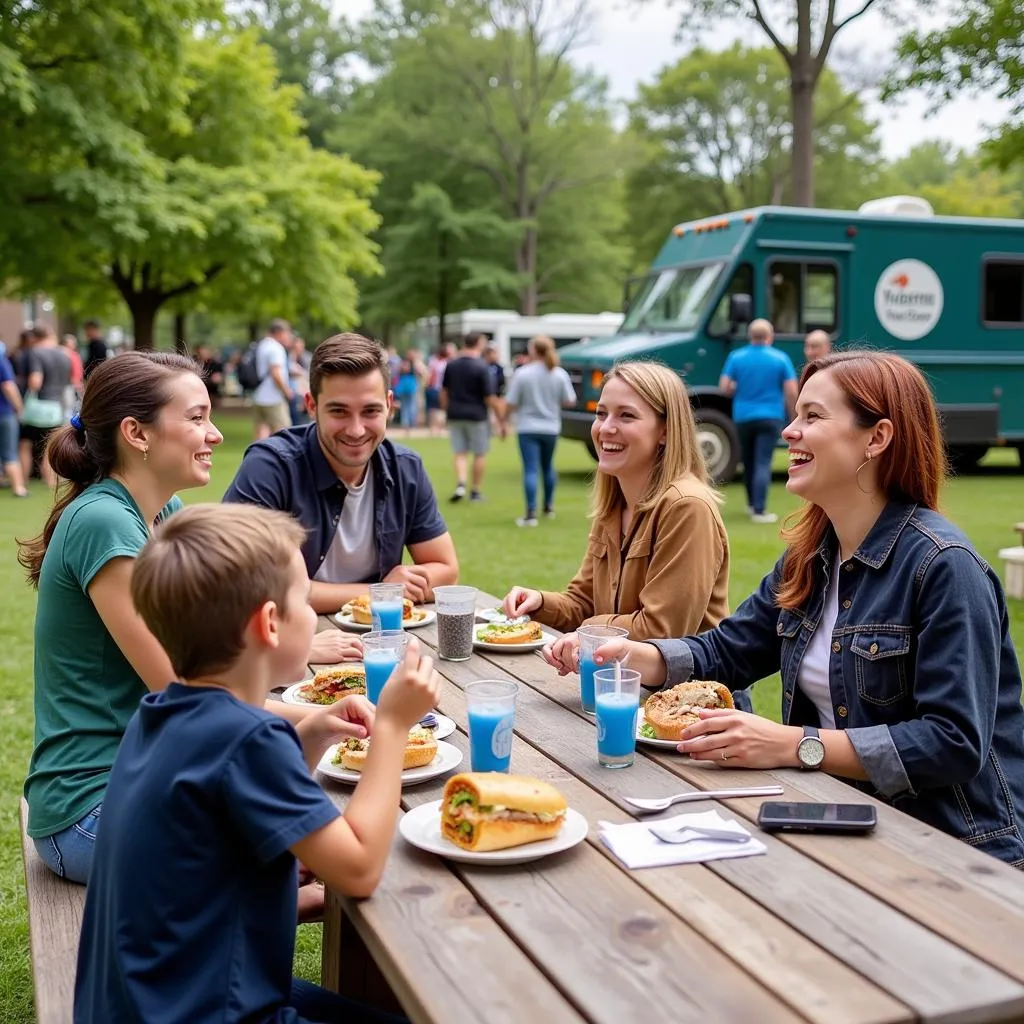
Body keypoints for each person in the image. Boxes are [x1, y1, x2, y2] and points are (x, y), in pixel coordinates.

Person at [594, 351, 1024, 867]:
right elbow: (730, 651)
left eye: (812, 417)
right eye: (796, 415)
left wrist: (796, 744)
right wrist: (640, 656)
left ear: (877, 437)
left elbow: (952, 742)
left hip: (953, 852)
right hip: (839, 823)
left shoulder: (944, 567)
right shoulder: (810, 556)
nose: (788, 431)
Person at [74, 502, 439, 1022]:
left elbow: (211, 845)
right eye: (305, 600)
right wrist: (393, 728)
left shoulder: (158, 716)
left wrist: (310, 732)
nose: (314, 615)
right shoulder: (247, 740)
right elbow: (358, 868)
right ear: (269, 623)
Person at [19, 352, 358, 886]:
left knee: (306, 831)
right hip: (92, 809)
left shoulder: (164, 512)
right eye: (196, 418)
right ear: (138, 433)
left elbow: (210, 661)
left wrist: (323, 716)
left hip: (155, 779)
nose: (216, 434)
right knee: (316, 841)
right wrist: (310, 721)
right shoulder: (105, 522)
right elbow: (185, 690)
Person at [224, 332, 459, 614]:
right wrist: (380, 592)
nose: (356, 430)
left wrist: (387, 591)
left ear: (388, 404)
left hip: (381, 640)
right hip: (297, 641)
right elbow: (240, 582)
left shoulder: (406, 467)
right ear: (312, 406)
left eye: (370, 411)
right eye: (339, 411)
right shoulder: (271, 467)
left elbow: (447, 570)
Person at [504, 360, 730, 643]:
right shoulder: (615, 504)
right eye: (601, 414)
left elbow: (663, 630)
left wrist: (589, 630)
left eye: (626, 416)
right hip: (619, 682)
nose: (605, 428)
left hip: (689, 687)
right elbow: (583, 602)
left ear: (665, 431)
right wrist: (539, 602)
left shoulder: (687, 506)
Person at [719, 318, 797, 524]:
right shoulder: (780, 358)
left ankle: (751, 503)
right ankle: (760, 511)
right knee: (763, 461)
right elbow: (791, 390)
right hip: (771, 415)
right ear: (770, 336)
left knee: (749, 461)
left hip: (743, 416)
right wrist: (794, 417)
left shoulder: (736, 357)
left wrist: (740, 388)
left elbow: (724, 386)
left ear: (750, 336)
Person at [502, 335, 576, 526]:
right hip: (550, 427)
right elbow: (570, 400)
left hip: (527, 427)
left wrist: (503, 419)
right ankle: (548, 506)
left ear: (533, 350)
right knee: (548, 466)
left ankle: (530, 513)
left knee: (531, 469)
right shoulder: (559, 374)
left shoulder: (523, 373)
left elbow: (511, 401)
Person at [442, 331, 502, 502]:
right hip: (477, 415)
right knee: (479, 453)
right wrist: (500, 418)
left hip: (455, 412)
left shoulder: (452, 364)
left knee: (460, 452)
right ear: (478, 344)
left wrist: (447, 410)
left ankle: (460, 484)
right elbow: (489, 397)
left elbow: (444, 391)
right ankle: (475, 490)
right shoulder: (482, 367)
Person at [20, 324, 72, 487]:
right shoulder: (65, 354)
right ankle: (50, 481)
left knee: (25, 444)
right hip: (57, 405)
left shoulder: (36, 352)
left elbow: (36, 380)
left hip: (39, 406)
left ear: (34, 338)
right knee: (50, 446)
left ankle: (23, 480)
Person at [251, 318, 294, 439]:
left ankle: (258, 457)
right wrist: (286, 391)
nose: (288, 336)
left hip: (259, 395)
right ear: (279, 332)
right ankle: (280, 457)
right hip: (273, 397)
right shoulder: (276, 348)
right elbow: (276, 373)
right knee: (283, 432)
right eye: (287, 333)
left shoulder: (262, 345)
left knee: (261, 431)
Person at [0, 349, 27, 497]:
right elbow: (8, 386)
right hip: (4, 413)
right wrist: (19, 407)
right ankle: (18, 488)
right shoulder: (2, 360)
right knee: (10, 452)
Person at [425, 342, 452, 436]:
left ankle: (433, 429)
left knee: (433, 410)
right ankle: (439, 429)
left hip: (433, 388)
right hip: (441, 389)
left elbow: (430, 376)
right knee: (441, 410)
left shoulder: (434, 362)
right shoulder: (447, 364)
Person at [393, 357, 420, 433]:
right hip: (404, 389)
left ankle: (411, 424)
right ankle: (406, 424)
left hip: (410, 389)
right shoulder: (401, 371)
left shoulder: (413, 370)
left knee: (411, 407)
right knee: (406, 407)